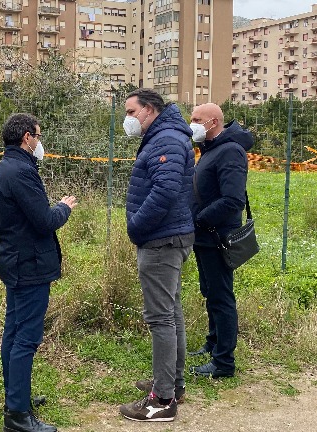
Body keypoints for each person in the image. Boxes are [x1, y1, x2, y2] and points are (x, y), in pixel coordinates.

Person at [0, 113, 77, 432]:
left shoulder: (0, 172)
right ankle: (17, 417)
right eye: (38, 136)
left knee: (13, 332)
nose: (40, 142)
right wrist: (63, 207)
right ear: (27, 137)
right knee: (26, 338)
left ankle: (17, 397)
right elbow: (44, 221)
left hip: (13, 261)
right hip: (31, 266)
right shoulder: (22, 172)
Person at [117, 89, 196, 422]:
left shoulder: (165, 140)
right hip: (170, 237)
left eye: (131, 111)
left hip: (161, 240)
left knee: (161, 318)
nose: (127, 119)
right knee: (171, 312)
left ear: (149, 110)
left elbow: (163, 191)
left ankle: (162, 400)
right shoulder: (164, 136)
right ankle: (171, 384)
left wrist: (136, 226)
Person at [187, 103, 253, 378]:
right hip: (204, 237)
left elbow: (233, 200)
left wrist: (201, 220)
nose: (191, 124)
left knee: (221, 298)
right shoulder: (211, 150)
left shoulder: (230, 152)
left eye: (196, 119)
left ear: (213, 122)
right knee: (210, 293)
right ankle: (213, 343)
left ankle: (223, 362)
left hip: (216, 237)